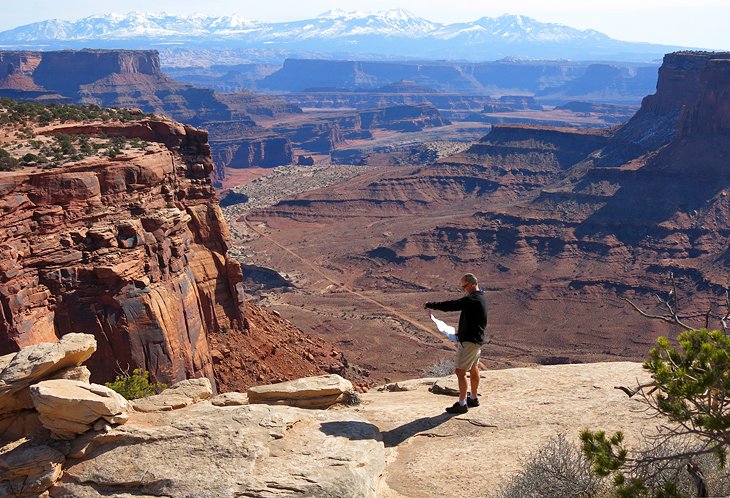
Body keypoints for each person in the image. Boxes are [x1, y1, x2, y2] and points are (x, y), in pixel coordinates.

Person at [424, 273, 488, 414]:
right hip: (476, 339)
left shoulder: (472, 299)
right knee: (473, 367)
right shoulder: (481, 297)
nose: (463, 290)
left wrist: (430, 305)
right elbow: (473, 321)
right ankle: (473, 398)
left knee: (460, 371)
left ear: (471, 284)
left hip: (469, 342)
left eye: (464, 287)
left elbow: (452, 305)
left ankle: (462, 403)